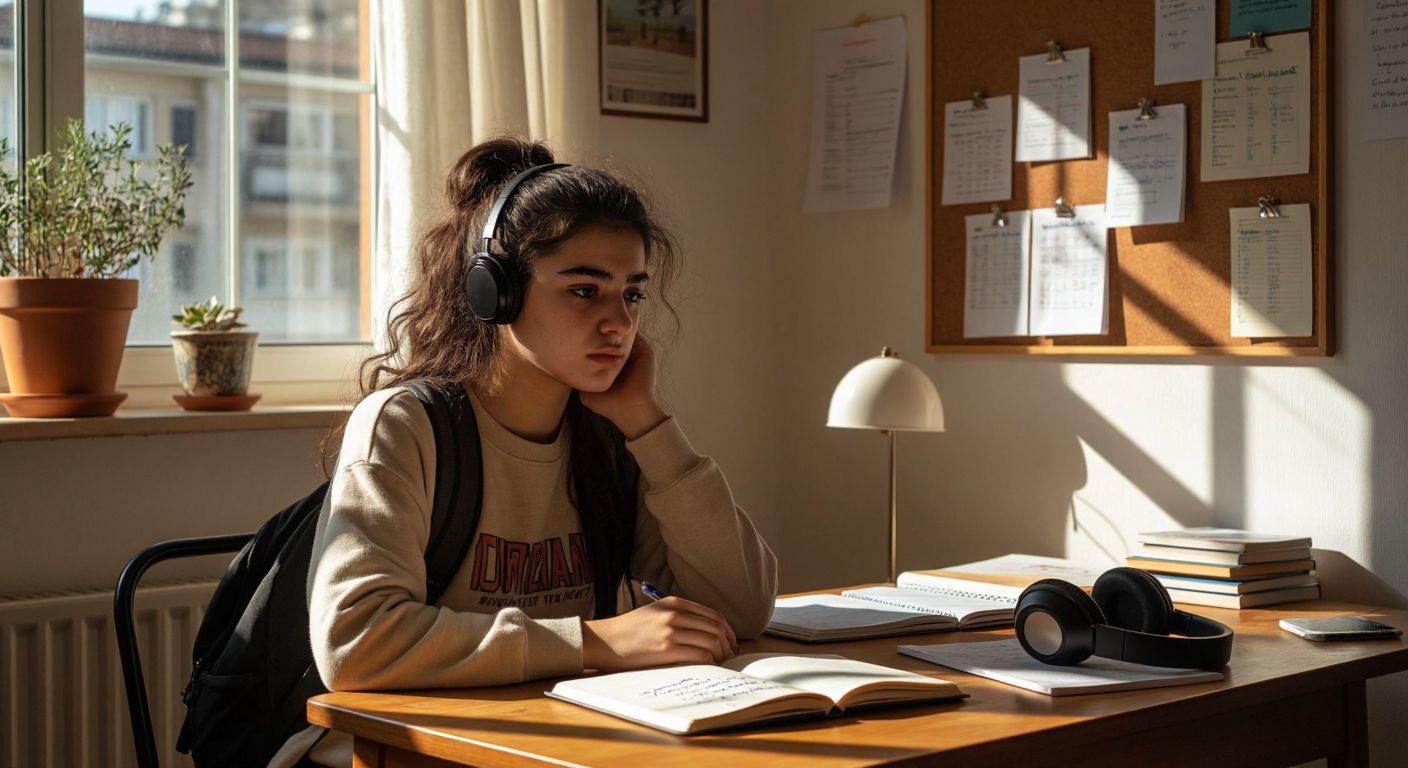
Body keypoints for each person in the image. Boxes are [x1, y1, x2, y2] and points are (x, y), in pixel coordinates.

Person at [271, 136, 778, 766]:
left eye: (633, 293)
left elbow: (743, 607)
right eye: (585, 290)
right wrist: (592, 643)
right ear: (497, 292)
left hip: (558, 744)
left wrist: (650, 424)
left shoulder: (611, 434)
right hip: (403, 752)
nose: (619, 322)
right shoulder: (407, 426)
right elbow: (356, 644)